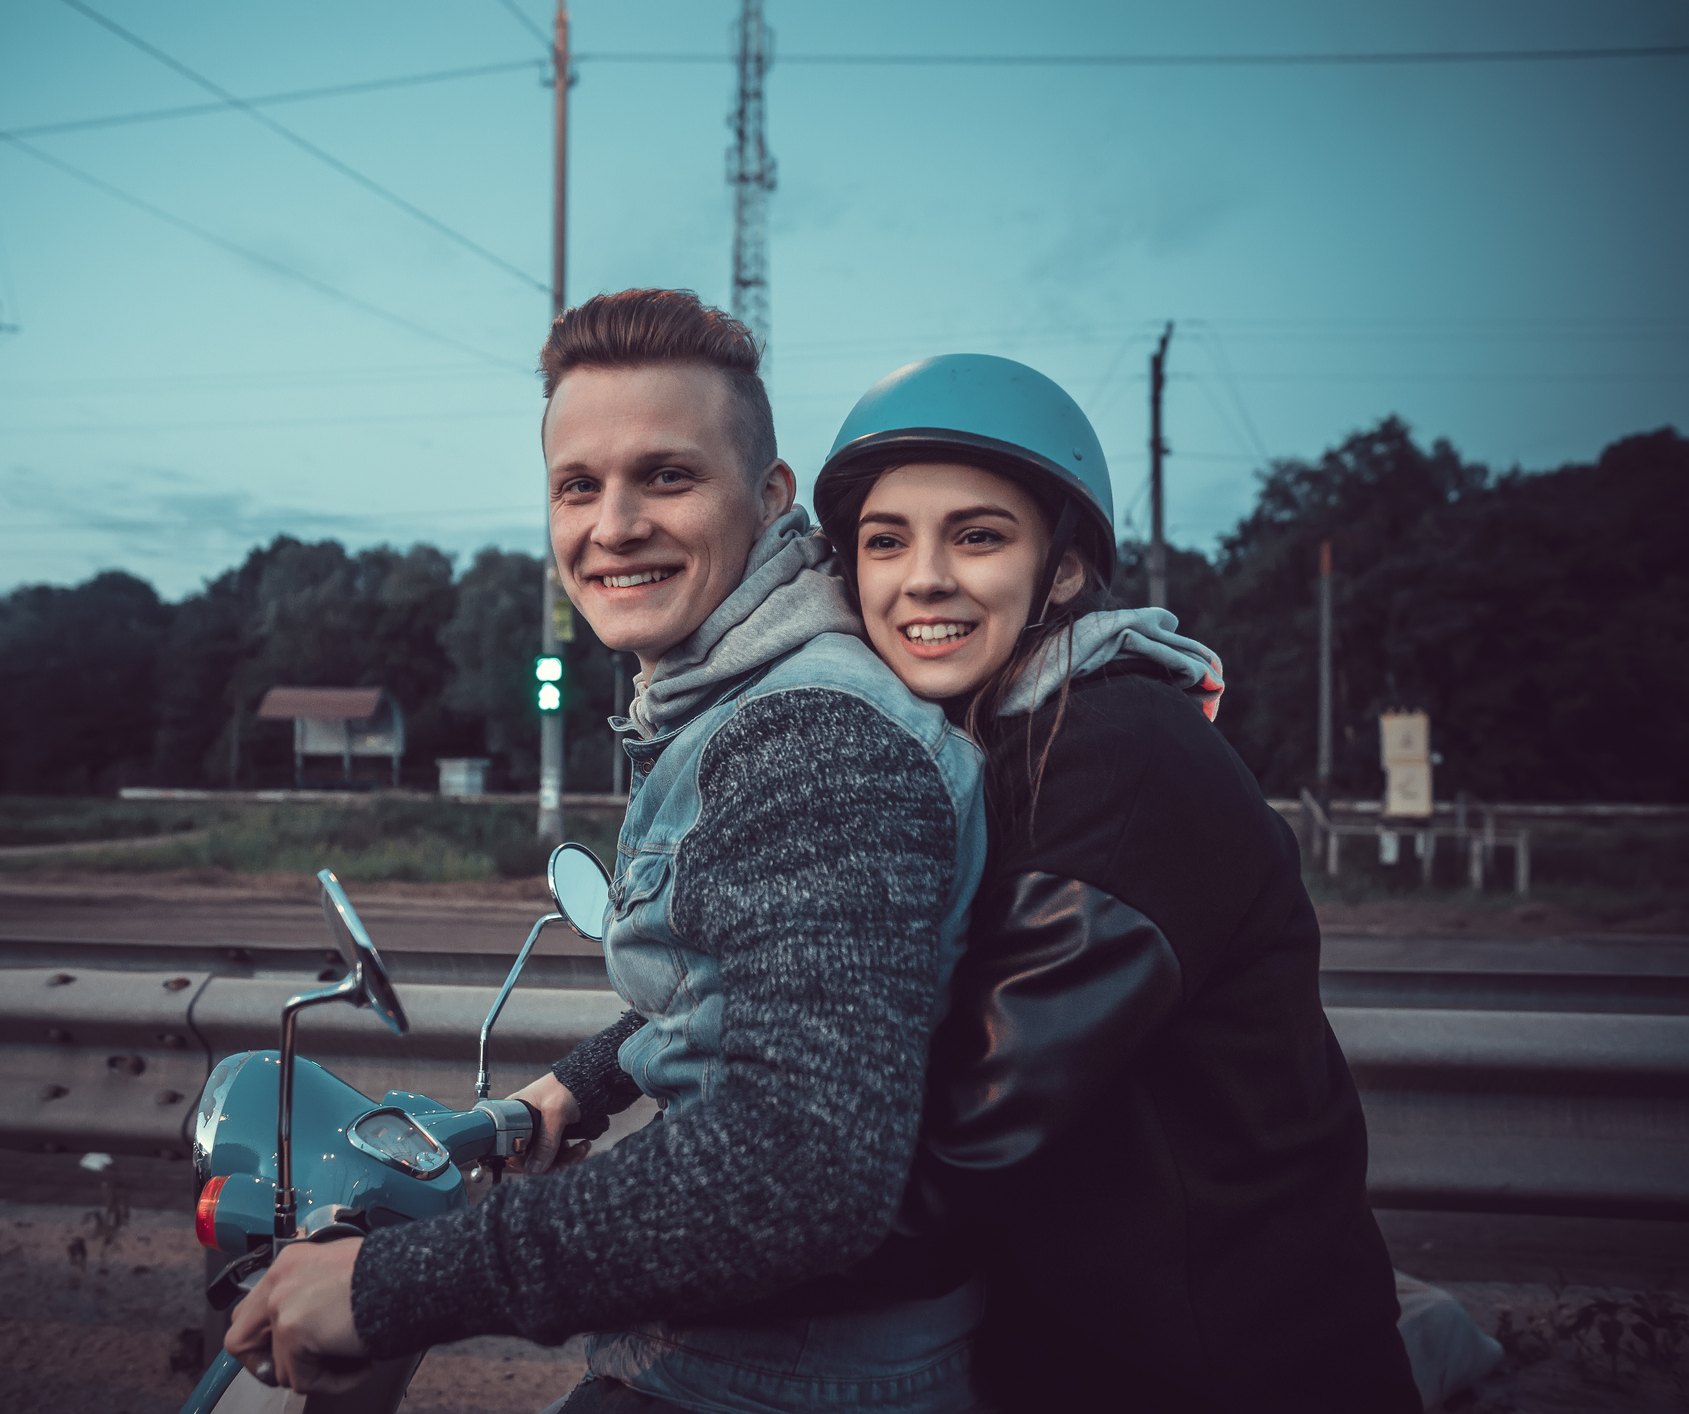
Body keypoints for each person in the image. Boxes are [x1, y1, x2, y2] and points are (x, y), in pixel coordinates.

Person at [226, 291, 990, 1411]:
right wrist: (579, 1087)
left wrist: (391, 1287)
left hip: (779, 1380)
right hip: (743, 1351)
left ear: (770, 495)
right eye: (577, 486)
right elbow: (760, 977)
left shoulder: (809, 736)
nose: (614, 525)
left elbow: (798, 1163)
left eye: (666, 476)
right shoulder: (735, 701)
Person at [810, 354, 1423, 1413]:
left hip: (1225, 1377)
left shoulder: (1110, 751)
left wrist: (674, 1254)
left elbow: (972, 1147)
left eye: (978, 535)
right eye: (885, 540)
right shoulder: (986, 743)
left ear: (1061, 571)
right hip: (1091, 1354)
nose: (924, 578)